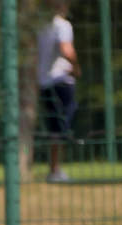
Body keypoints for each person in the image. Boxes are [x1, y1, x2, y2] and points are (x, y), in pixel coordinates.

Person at [37, 0, 80, 183]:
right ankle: (55, 170)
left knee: (54, 126)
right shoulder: (62, 25)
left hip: (44, 82)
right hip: (61, 81)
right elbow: (66, 49)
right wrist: (76, 67)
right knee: (61, 127)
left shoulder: (42, 28)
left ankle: (54, 168)